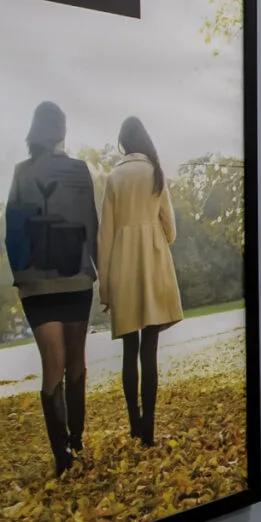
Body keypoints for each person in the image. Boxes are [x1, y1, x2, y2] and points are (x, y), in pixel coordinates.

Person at [5, 101, 99, 476]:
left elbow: (12, 231)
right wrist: (99, 272)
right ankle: (76, 439)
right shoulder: (79, 170)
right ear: (62, 131)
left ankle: (62, 456)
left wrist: (22, 275)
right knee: (76, 363)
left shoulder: (21, 172)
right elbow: (91, 225)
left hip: (35, 286)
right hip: (75, 277)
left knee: (52, 368)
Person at [95, 115, 183, 446]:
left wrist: (105, 289)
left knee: (129, 351)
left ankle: (134, 424)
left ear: (123, 144)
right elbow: (171, 231)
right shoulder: (155, 172)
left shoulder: (114, 178)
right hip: (153, 266)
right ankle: (149, 431)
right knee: (150, 351)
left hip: (123, 269)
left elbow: (105, 236)